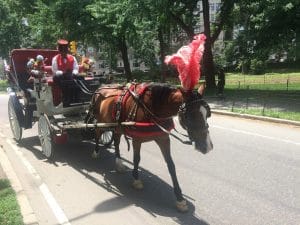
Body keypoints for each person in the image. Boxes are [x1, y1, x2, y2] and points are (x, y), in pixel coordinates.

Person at [52, 39, 79, 106]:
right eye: (62, 51)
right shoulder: (55, 58)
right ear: (59, 51)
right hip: (60, 77)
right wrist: (61, 72)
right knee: (62, 80)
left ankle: (76, 100)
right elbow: (55, 70)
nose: (64, 52)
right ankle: (66, 100)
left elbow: (76, 68)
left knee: (79, 79)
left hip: (70, 76)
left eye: (65, 50)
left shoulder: (72, 58)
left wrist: (74, 72)